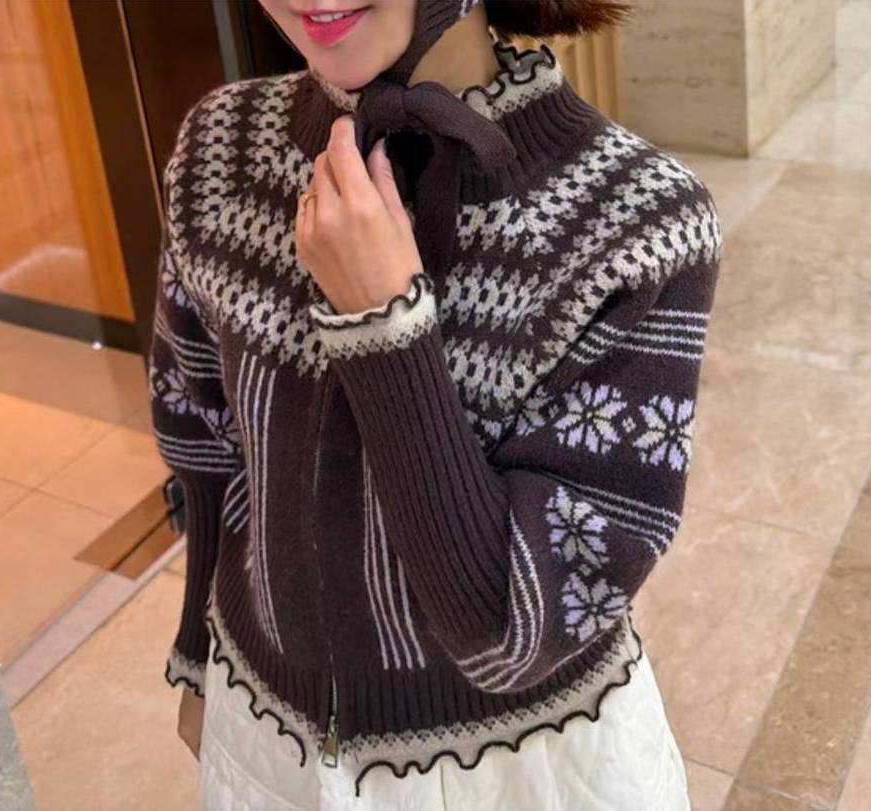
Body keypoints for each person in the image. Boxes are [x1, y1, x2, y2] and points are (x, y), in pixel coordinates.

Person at [147, 0, 722, 808]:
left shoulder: (639, 224)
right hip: (267, 739)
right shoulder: (220, 146)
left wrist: (384, 330)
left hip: (529, 766)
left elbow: (514, 627)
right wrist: (197, 655)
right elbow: (202, 439)